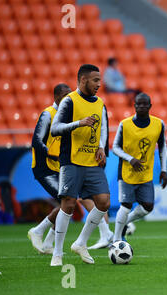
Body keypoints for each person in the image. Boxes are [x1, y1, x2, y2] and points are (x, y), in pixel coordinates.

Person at [27, 84, 113, 254]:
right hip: (45, 169)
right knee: (69, 202)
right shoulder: (48, 114)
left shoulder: (70, 115)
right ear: (57, 96)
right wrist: (52, 155)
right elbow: (36, 141)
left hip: (63, 167)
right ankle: (38, 231)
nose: (69, 97)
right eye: (66, 95)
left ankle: (47, 242)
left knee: (71, 202)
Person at [50, 64, 110, 266]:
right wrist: (79, 123)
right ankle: (57, 253)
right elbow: (55, 129)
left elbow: (102, 128)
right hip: (72, 161)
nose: (99, 84)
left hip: (92, 161)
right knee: (67, 204)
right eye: (95, 80)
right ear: (83, 80)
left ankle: (81, 242)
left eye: (100, 80)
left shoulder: (100, 103)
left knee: (103, 202)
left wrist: (101, 147)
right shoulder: (69, 102)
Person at [112, 92, 167, 242]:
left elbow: (162, 148)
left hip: (145, 173)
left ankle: (125, 222)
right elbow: (115, 147)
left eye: (145, 104)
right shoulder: (125, 124)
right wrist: (130, 159)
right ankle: (117, 240)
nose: (142, 106)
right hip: (126, 172)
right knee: (126, 205)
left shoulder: (158, 124)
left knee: (148, 206)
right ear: (134, 106)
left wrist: (164, 170)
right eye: (139, 104)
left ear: (150, 106)